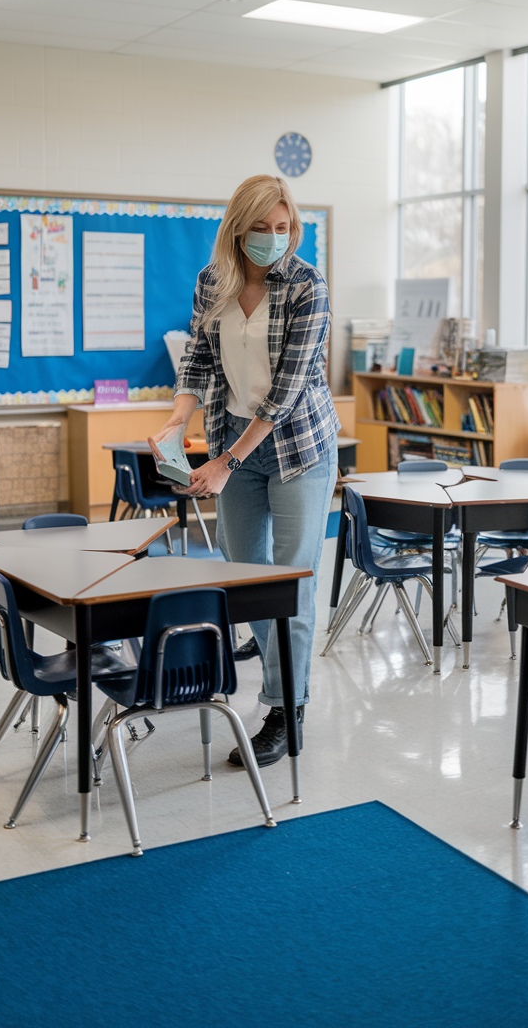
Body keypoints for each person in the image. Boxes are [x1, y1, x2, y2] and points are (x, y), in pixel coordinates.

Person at [153, 174, 338, 766]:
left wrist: (226, 462)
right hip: (234, 440)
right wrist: (178, 421)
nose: (272, 239)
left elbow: (285, 392)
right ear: (237, 228)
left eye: (283, 228)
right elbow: (200, 361)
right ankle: (280, 672)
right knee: (245, 579)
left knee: (290, 580)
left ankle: (287, 710)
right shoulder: (214, 281)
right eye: (261, 228)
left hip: (297, 449)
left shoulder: (308, 285)